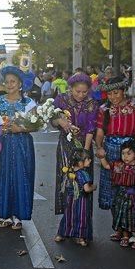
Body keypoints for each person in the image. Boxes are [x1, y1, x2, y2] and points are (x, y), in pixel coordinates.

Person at [0, 66, 36, 230]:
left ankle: (18, 215)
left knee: (21, 177)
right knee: (3, 176)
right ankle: (4, 214)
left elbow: (36, 125)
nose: (9, 84)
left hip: (22, 144)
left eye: (13, 81)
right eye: (7, 81)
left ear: (20, 83)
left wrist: (20, 128)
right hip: (2, 143)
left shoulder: (28, 103)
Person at [53, 73, 100, 216]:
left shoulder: (92, 103)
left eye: (84, 92)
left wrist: (85, 152)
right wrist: (59, 121)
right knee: (66, 180)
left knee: (83, 180)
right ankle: (65, 224)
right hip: (66, 145)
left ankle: (82, 226)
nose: (81, 95)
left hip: (84, 144)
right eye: (77, 91)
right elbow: (52, 118)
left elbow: (91, 128)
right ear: (70, 89)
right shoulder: (61, 100)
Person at [94, 75, 135, 218]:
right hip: (110, 149)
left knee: (129, 188)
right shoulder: (104, 109)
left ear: (123, 91)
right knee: (112, 188)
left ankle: (129, 227)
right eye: (110, 94)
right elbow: (100, 132)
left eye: (116, 93)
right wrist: (99, 147)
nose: (112, 97)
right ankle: (118, 227)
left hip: (130, 151)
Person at [97, 139, 135, 248]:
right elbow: (107, 166)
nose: (125, 156)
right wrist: (102, 157)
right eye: (123, 153)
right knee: (123, 216)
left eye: (128, 154)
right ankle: (125, 236)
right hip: (122, 195)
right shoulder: (119, 165)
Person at [55, 148, 95, 246]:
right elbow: (86, 189)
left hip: (70, 199)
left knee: (68, 216)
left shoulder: (69, 171)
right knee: (81, 217)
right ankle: (80, 237)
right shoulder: (84, 174)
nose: (90, 161)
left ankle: (61, 234)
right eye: (88, 159)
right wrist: (94, 187)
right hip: (81, 200)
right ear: (80, 163)